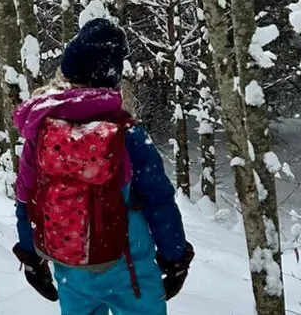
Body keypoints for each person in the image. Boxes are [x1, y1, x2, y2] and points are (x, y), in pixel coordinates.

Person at [11, 18, 193, 315]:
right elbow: (159, 201)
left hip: (71, 269)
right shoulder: (128, 136)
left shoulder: (42, 133)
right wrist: (175, 259)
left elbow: (26, 199)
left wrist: (32, 259)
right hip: (130, 270)